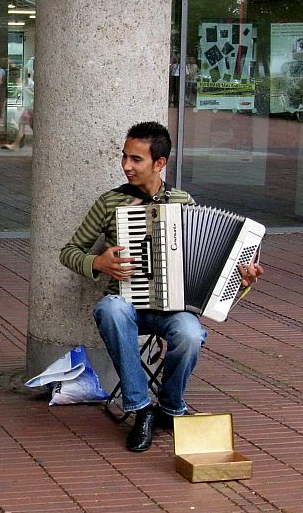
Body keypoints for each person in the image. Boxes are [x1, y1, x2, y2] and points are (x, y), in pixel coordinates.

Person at [59, 121, 263, 452]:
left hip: (173, 309)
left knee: (190, 333)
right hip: (127, 307)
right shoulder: (110, 202)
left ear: (160, 163)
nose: (126, 165)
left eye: (136, 159)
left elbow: (210, 268)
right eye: (124, 157)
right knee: (110, 308)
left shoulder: (184, 202)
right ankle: (140, 409)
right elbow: (69, 252)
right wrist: (97, 262)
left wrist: (242, 280)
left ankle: (169, 408)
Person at [1, 71, 33, 151]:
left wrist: (26, 90)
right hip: (27, 108)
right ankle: (15, 144)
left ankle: (16, 143)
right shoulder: (24, 84)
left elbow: (34, 95)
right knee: (21, 126)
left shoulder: (31, 84)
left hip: (31, 108)